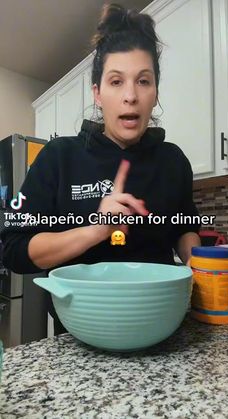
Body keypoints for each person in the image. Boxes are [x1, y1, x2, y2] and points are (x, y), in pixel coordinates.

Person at [1, 4, 201, 334]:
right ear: (97, 93)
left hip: (161, 328)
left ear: (155, 92)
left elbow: (184, 227)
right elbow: (14, 250)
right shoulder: (58, 157)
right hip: (81, 333)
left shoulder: (173, 161)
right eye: (116, 81)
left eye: (143, 81)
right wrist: (96, 229)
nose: (130, 96)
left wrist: (199, 262)